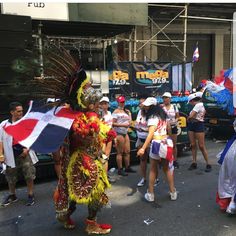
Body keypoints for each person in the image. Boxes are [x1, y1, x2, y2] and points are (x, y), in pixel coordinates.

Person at [137, 97, 177, 202]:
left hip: (156, 144)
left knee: (153, 169)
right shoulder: (162, 115)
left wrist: (143, 148)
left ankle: (150, 194)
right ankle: (173, 192)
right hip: (166, 142)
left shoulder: (152, 117)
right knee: (167, 168)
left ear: (152, 106)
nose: (145, 107)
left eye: (147, 106)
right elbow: (168, 128)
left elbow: (150, 134)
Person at [0, 102, 38, 206]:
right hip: (10, 153)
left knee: (29, 174)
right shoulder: (4, 124)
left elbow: (31, 136)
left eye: (22, 111)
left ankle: (30, 194)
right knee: (10, 176)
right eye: (18, 111)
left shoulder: (25, 122)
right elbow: (1, 141)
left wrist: (27, 149)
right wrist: (1, 155)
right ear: (12, 112)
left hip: (24, 152)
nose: (21, 113)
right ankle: (12, 195)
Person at [135, 95, 159, 187]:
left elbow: (152, 130)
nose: (141, 105)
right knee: (143, 159)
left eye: (143, 103)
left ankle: (155, 179)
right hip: (140, 139)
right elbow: (137, 124)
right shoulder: (139, 113)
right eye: (140, 103)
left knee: (153, 161)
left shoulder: (152, 115)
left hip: (150, 140)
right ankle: (143, 178)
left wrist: (143, 130)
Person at [187, 92, 212, 172]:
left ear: (192, 101)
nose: (190, 104)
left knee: (201, 145)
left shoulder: (198, 105)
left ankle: (208, 163)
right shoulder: (197, 106)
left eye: (190, 102)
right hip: (193, 125)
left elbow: (191, 116)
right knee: (193, 144)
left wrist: (189, 118)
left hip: (198, 125)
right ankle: (194, 162)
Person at [216, 119, 236, 214]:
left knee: (227, 177)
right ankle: (230, 203)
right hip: (232, 151)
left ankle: (228, 203)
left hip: (231, 151)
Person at [112, 95, 136, 176]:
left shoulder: (127, 111)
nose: (122, 103)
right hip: (119, 133)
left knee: (127, 151)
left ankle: (127, 167)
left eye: (123, 102)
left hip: (125, 133)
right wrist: (122, 125)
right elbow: (112, 123)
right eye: (120, 102)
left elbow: (130, 121)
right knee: (120, 152)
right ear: (118, 102)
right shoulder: (115, 112)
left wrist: (129, 120)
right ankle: (120, 169)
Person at [99, 96, 116, 183]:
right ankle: (103, 177)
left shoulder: (109, 113)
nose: (104, 105)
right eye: (102, 103)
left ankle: (105, 177)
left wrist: (114, 139)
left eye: (105, 103)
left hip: (109, 136)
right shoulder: (99, 114)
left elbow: (111, 126)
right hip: (102, 137)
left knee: (106, 157)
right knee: (103, 157)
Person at [161, 92, 180, 168]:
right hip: (164, 128)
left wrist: (175, 121)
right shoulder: (161, 107)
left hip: (173, 127)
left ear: (170, 99)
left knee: (173, 144)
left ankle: (175, 160)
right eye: (163, 98)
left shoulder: (174, 107)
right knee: (164, 145)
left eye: (166, 98)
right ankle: (164, 161)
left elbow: (178, 116)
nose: (164, 99)